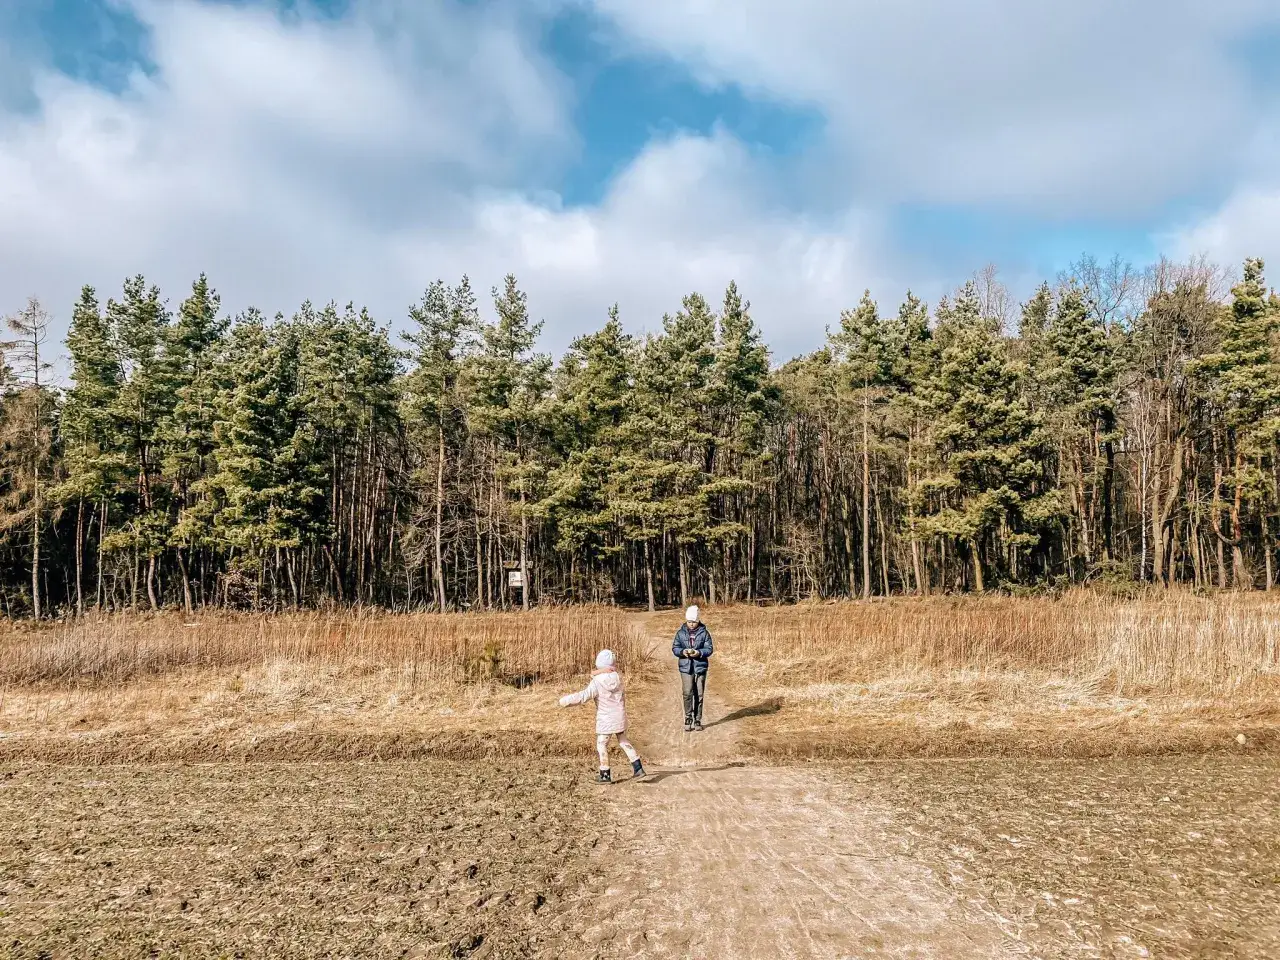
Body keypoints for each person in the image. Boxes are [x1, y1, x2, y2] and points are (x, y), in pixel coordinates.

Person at [558, 649, 646, 783]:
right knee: (623, 741)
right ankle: (638, 768)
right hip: (619, 716)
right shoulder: (617, 677)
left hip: (606, 718)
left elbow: (583, 697)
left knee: (601, 744)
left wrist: (566, 701)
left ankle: (605, 774)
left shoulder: (597, 682)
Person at [672, 605, 714, 732]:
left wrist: (699, 653)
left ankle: (697, 719)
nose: (691, 624)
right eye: (689, 621)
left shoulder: (705, 633)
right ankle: (688, 717)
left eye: (694, 622)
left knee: (699, 694)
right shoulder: (680, 633)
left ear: (698, 621)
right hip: (685, 667)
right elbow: (675, 647)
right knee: (687, 693)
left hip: (700, 667)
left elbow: (709, 649)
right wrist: (682, 651)